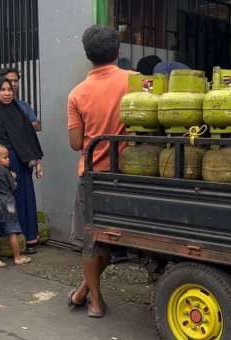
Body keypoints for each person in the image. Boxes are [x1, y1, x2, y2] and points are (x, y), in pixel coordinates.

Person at [67, 25, 134, 318]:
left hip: (94, 177)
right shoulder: (135, 81)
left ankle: (92, 299)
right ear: (118, 51)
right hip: (132, 175)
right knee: (113, 238)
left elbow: (74, 143)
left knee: (91, 240)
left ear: (87, 55)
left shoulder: (77, 94)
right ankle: (85, 291)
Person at [0, 77, 43, 255]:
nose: (7, 93)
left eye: (10, 90)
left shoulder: (19, 113)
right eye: (3, 90)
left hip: (19, 167)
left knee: (20, 201)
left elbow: (30, 139)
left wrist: (36, 162)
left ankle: (22, 242)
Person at [0, 144, 32, 267]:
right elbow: (14, 187)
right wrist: (13, 178)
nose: (8, 159)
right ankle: (17, 257)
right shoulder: (5, 172)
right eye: (5, 157)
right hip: (8, 207)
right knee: (12, 232)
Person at [0, 68, 41, 132]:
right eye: (10, 81)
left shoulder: (24, 105)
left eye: (15, 81)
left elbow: (36, 125)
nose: (13, 84)